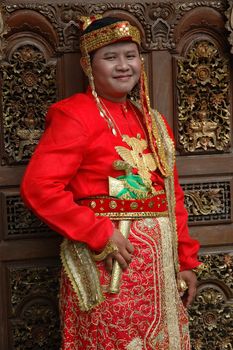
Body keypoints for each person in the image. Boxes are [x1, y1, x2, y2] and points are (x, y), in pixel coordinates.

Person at [21, 15, 202, 350]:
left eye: (130, 56)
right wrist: (99, 232)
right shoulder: (74, 114)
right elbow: (39, 188)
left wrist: (186, 261)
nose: (123, 66)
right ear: (88, 65)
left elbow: (170, 196)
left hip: (160, 274)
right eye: (110, 57)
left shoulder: (153, 121)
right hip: (109, 265)